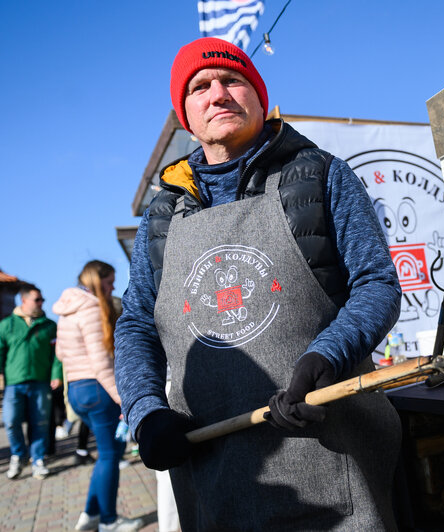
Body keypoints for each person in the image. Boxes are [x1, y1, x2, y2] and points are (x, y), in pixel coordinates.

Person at [115, 37, 403, 531]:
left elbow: (376, 284)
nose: (218, 94)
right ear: (185, 112)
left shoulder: (322, 176)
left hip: (333, 454)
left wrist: (327, 355)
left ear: (258, 94)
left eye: (232, 80)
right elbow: (137, 325)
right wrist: (145, 411)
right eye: (200, 87)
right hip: (213, 471)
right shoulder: (161, 216)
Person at [53, 261, 143, 532]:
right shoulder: (90, 307)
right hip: (98, 388)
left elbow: (60, 354)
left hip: (78, 389)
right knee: (109, 455)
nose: (113, 287)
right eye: (109, 282)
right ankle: (109, 521)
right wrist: (121, 397)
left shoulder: (67, 308)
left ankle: (90, 515)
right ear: (97, 280)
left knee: (107, 453)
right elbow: (100, 360)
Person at [0, 283, 60, 480]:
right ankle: (18, 455)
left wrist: (56, 374)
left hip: (41, 382)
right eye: (37, 299)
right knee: (10, 421)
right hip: (14, 383)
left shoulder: (50, 326)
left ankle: (38, 460)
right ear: (24, 300)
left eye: (42, 299)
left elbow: (57, 355)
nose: (42, 302)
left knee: (40, 423)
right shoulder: (6, 325)